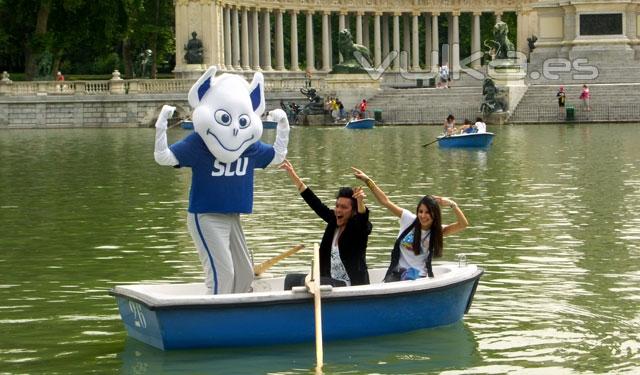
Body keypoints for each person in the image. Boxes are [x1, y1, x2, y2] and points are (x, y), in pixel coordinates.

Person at [352, 167, 468, 281]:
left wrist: (452, 204)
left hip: (418, 278)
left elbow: (463, 224)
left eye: (427, 212)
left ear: (434, 215)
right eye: (420, 211)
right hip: (397, 274)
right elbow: (385, 201)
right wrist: (367, 180)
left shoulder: (437, 231)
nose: (423, 216)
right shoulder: (408, 219)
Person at [280, 160, 372, 289]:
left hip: (350, 284)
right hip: (328, 279)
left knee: (313, 284)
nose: (338, 210)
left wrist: (360, 202)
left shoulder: (358, 230)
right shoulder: (333, 220)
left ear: (353, 212)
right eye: (337, 206)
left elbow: (363, 219)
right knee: (291, 280)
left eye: (344, 207)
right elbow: (314, 202)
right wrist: (292, 174)